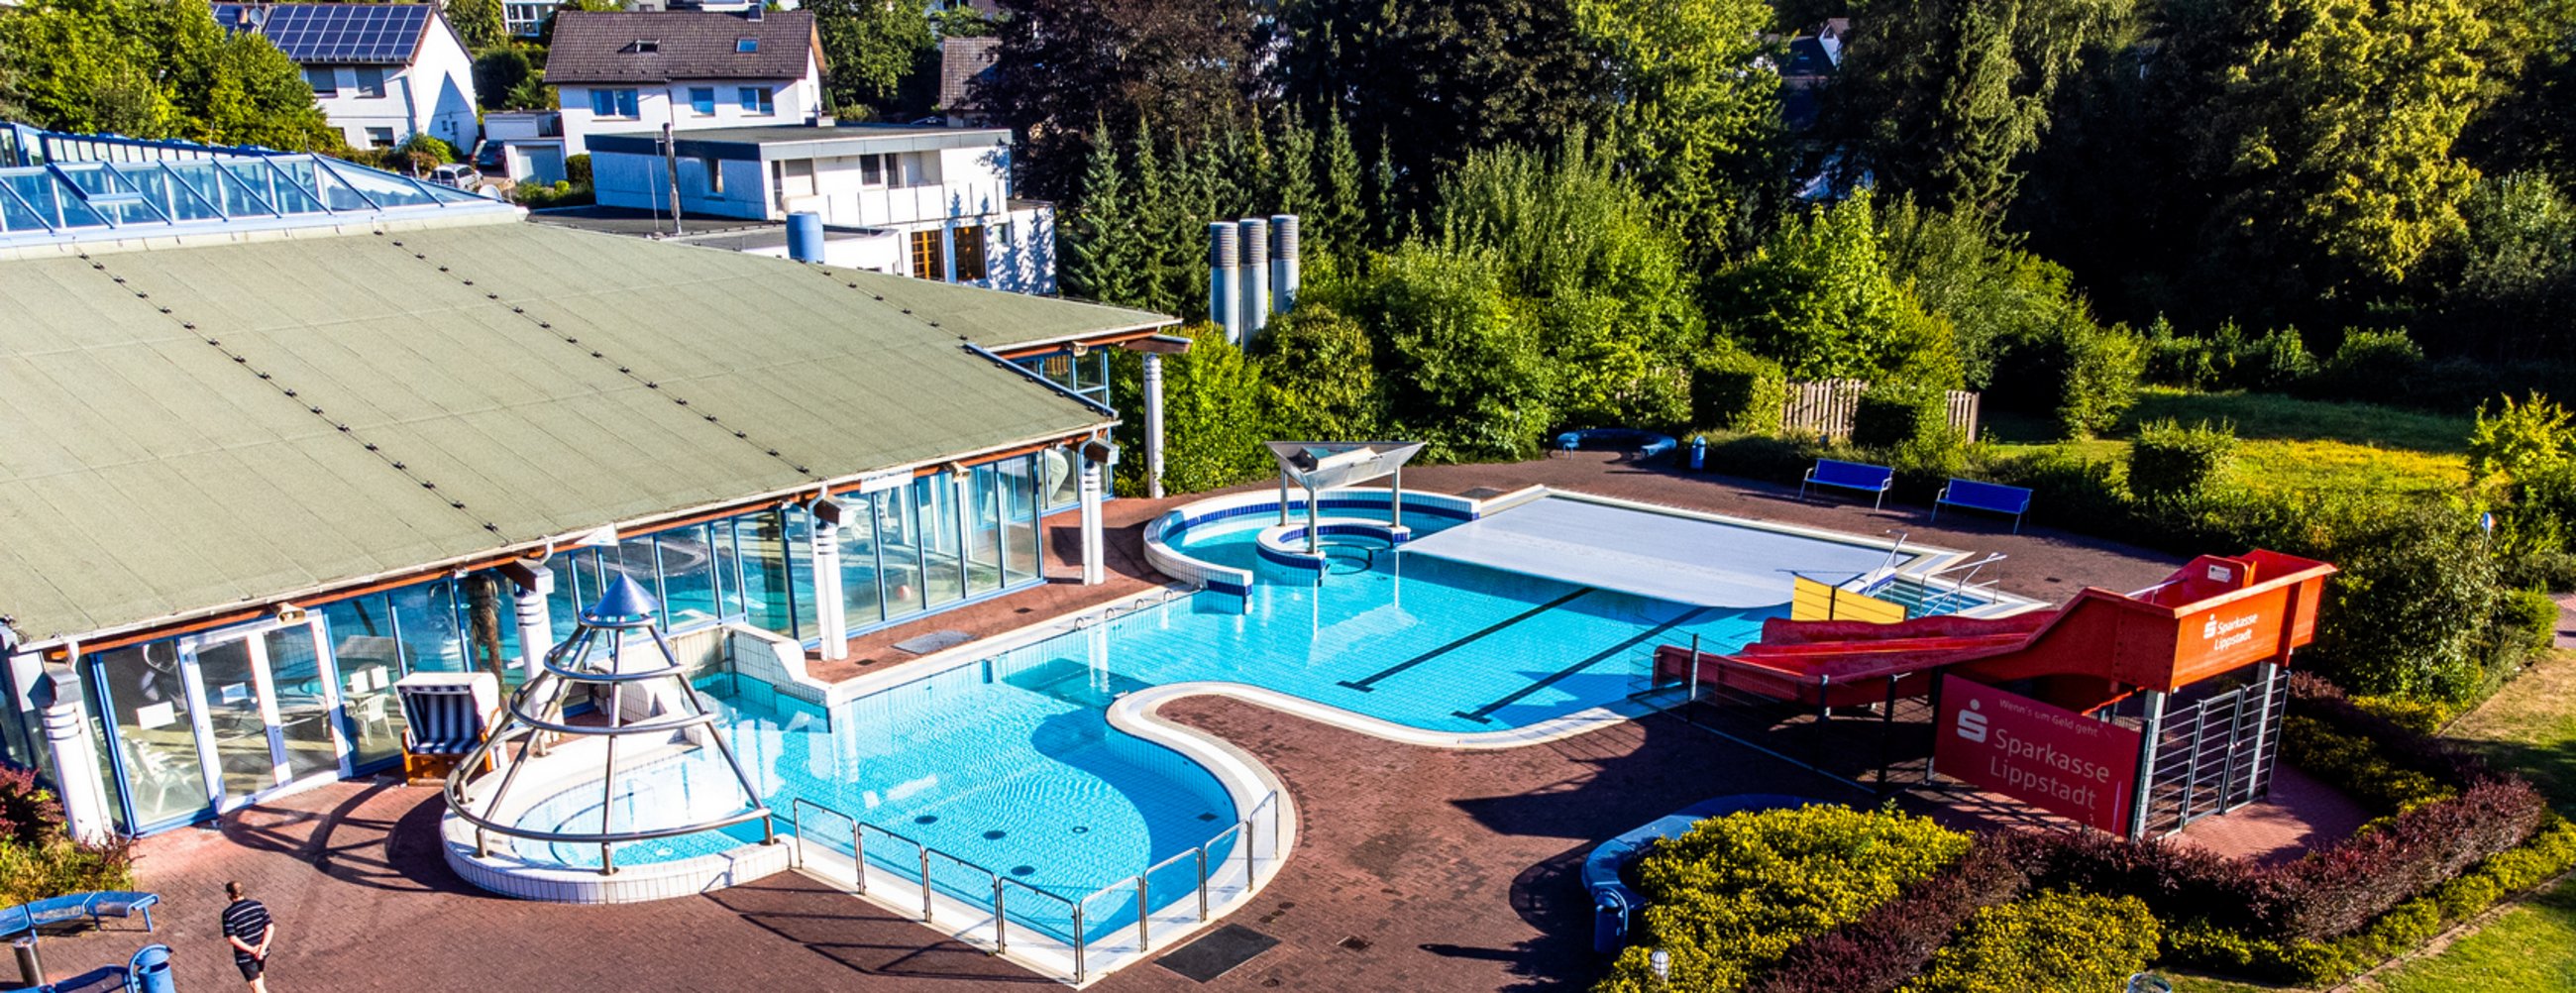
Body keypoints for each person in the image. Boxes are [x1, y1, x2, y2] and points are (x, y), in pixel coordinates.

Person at [220, 881, 274, 992]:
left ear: (229, 894)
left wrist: (252, 950)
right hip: (262, 951)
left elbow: (232, 938)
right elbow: (270, 928)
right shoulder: (258, 905)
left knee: (255, 984)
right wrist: (262, 949)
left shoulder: (229, 914)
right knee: (259, 978)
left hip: (246, 956)